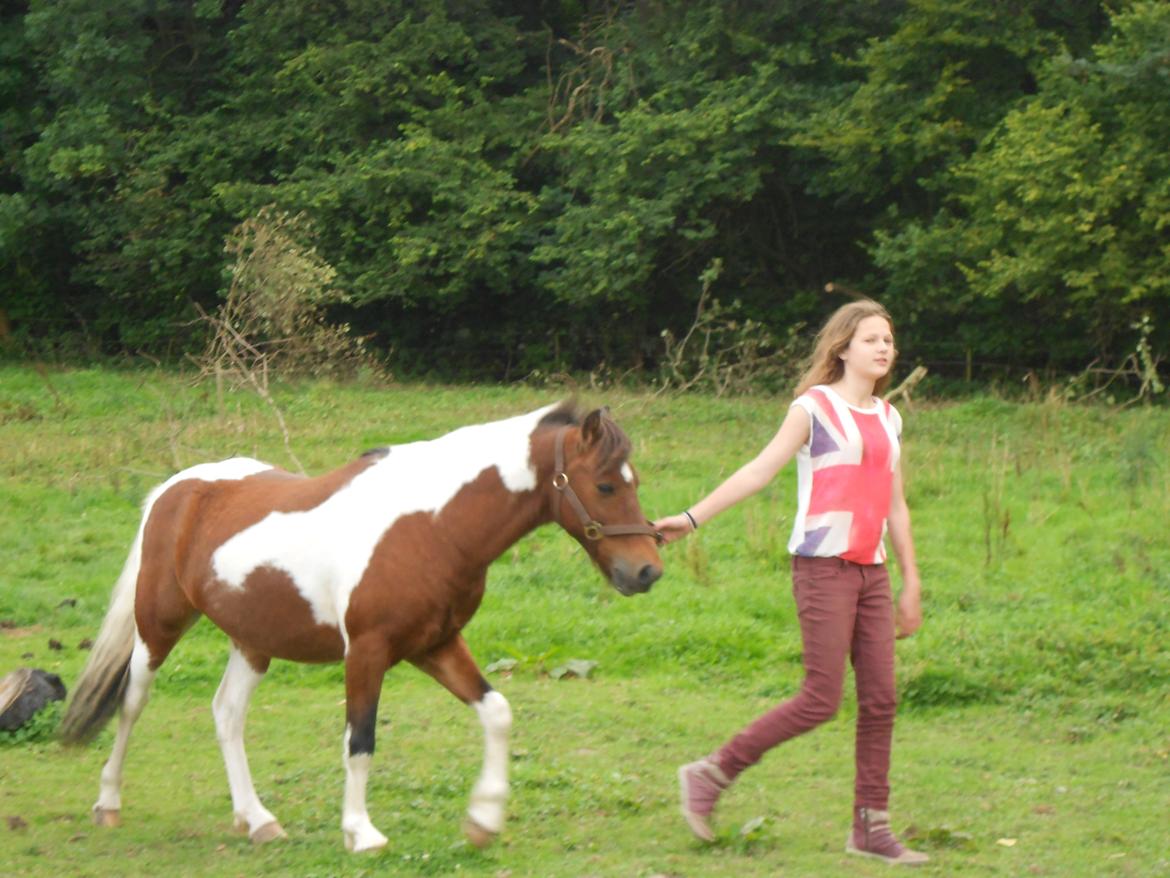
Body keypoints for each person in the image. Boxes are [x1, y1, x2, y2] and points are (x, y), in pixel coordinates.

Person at [654, 298, 928, 866]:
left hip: (871, 573)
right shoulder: (815, 408)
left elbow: (896, 505)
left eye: (889, 340)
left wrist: (910, 582)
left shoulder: (889, 417)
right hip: (822, 568)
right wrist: (690, 518)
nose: (884, 348)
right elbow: (759, 470)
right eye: (872, 339)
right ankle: (711, 773)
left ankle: (870, 828)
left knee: (881, 701)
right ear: (843, 348)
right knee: (820, 698)